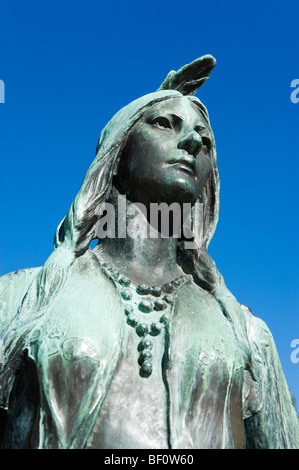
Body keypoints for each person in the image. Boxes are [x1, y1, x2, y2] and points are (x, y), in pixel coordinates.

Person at [0, 56, 298, 449]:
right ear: (118, 153)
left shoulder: (245, 333)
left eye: (205, 140)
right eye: (164, 124)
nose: (193, 143)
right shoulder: (19, 298)